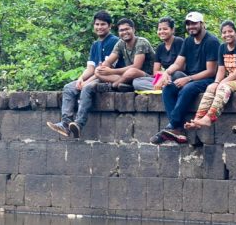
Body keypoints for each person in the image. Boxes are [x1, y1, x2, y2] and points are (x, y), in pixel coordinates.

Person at [46, 10, 118, 139]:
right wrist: (80, 78)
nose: (99, 27)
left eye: (103, 24)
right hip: (95, 76)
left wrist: (87, 82)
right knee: (69, 87)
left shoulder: (114, 42)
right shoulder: (95, 44)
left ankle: (79, 123)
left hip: (108, 78)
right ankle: (65, 124)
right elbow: (90, 68)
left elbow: (105, 69)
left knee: (87, 87)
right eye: (97, 24)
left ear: (110, 26)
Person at [151, 11, 220, 144]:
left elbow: (211, 71)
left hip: (208, 79)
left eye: (194, 23)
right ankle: (177, 130)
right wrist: (166, 73)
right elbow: (178, 63)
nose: (190, 27)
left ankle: (172, 126)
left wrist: (188, 79)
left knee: (187, 88)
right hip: (191, 77)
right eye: (188, 24)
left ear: (202, 24)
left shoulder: (211, 41)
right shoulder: (188, 41)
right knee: (168, 88)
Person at [184, 20, 236, 129]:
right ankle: (198, 120)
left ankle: (209, 118)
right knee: (211, 87)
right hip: (231, 80)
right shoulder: (222, 47)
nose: (227, 34)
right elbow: (221, 70)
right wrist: (216, 82)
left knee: (224, 87)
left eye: (230, 31)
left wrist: (222, 83)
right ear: (221, 35)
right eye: (224, 32)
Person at [93, 18, 155, 90]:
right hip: (127, 76)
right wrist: (102, 68)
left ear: (133, 29)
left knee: (132, 71)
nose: (124, 32)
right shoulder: (121, 43)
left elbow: (136, 66)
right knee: (98, 71)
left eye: (127, 29)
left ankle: (114, 86)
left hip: (146, 76)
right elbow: (109, 61)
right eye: (121, 30)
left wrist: (111, 71)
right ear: (118, 33)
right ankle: (125, 84)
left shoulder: (141, 42)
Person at [133, 17, 183, 92]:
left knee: (177, 74)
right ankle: (164, 88)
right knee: (137, 81)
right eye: (159, 29)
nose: (161, 31)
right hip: (164, 78)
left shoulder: (179, 42)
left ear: (172, 30)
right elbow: (155, 71)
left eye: (165, 29)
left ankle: (166, 87)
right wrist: (163, 77)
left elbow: (181, 66)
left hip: (177, 76)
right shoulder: (160, 47)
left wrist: (166, 75)